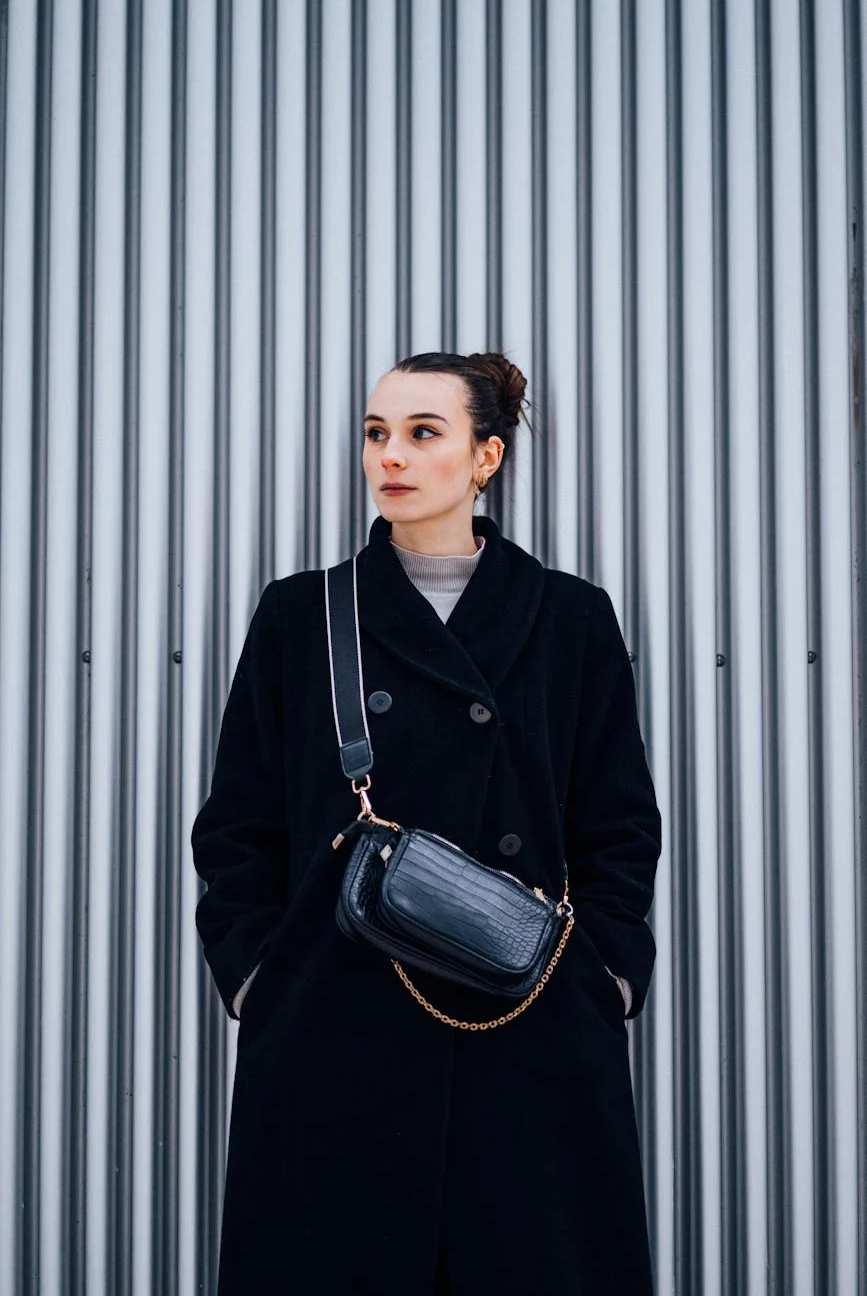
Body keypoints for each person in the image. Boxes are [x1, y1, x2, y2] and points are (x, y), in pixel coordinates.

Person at [191, 350, 661, 1295]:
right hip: (335, 1032)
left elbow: (617, 822)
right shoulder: (303, 614)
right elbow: (237, 826)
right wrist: (256, 979)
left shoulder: (570, 618)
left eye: (421, 433)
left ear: (485, 458)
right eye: (376, 434)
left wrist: (603, 974)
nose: (388, 457)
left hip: (527, 1024)